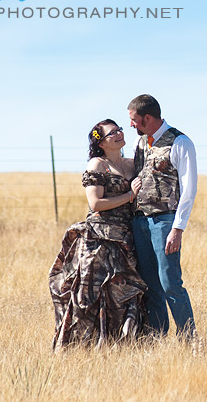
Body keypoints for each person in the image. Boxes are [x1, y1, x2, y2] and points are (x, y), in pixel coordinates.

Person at [48, 119, 147, 351]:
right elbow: (96, 203)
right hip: (99, 238)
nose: (119, 134)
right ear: (100, 142)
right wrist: (129, 196)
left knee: (123, 293)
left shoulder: (133, 164)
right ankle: (80, 349)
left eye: (120, 129)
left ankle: (120, 347)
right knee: (91, 295)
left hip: (126, 238)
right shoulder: (97, 164)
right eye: (112, 133)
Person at [127, 94, 200, 349]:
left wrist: (178, 228)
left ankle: (190, 342)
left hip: (165, 223)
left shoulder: (180, 142)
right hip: (140, 224)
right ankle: (156, 342)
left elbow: (189, 189)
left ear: (147, 118)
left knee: (170, 283)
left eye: (134, 121)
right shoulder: (139, 145)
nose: (131, 126)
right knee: (150, 286)